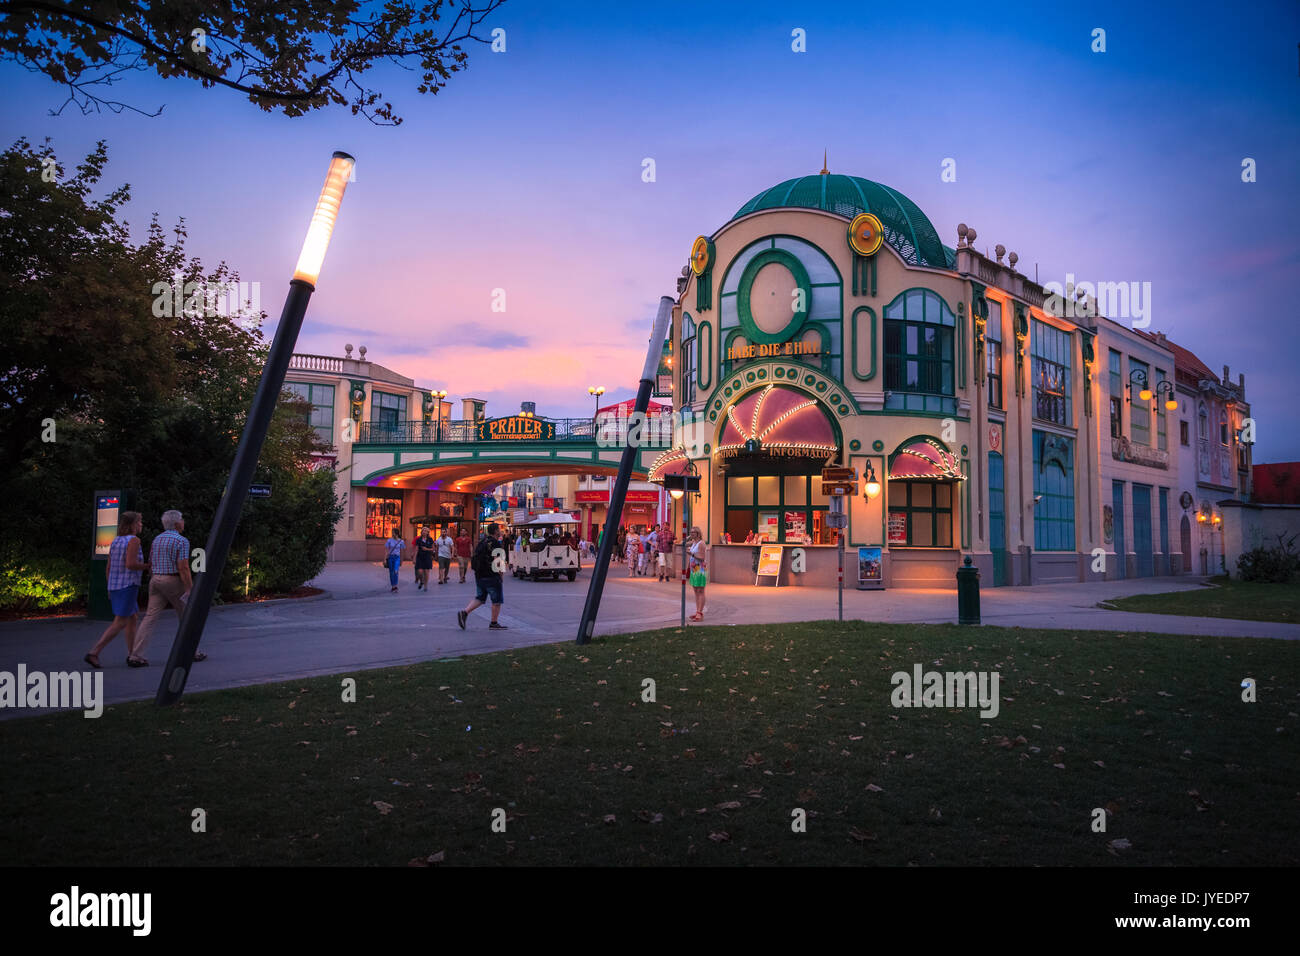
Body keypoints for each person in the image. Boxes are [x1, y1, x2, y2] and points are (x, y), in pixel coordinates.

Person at [132, 509, 204, 666]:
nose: (184, 522)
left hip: (156, 580)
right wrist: (190, 589)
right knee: (187, 616)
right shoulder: (181, 541)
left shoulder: (157, 539)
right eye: (182, 519)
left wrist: (154, 576)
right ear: (177, 523)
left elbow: (151, 561)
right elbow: (183, 567)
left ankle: (136, 655)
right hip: (173, 580)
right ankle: (192, 652)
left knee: (150, 617)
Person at [85, 510, 149, 668]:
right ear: (133, 525)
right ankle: (94, 652)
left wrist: (109, 586)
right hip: (128, 585)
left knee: (132, 618)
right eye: (139, 522)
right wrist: (148, 566)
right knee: (120, 622)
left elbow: (109, 566)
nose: (141, 525)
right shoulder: (134, 540)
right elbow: (131, 564)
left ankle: (132, 654)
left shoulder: (116, 541)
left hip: (115, 585)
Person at [459, 522, 507, 630]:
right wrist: (501, 574)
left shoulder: (482, 542)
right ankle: (494, 623)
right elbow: (497, 561)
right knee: (497, 600)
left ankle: (465, 612)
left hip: (479, 575)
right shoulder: (496, 543)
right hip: (491, 576)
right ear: (495, 531)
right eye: (499, 529)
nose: (500, 531)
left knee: (480, 597)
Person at [687, 526, 708, 622]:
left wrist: (691, 554)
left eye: (693, 532)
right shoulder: (694, 543)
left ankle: (700, 612)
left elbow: (702, 557)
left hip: (700, 570)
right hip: (694, 569)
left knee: (700, 590)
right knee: (696, 591)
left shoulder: (701, 543)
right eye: (691, 532)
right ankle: (697, 611)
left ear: (698, 533)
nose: (691, 534)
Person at [384, 527, 404, 592]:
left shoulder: (401, 541)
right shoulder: (389, 540)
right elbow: (386, 550)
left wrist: (401, 560)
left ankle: (395, 585)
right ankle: (393, 586)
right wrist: (384, 559)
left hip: (397, 558)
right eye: (392, 533)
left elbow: (402, 551)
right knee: (391, 572)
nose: (392, 534)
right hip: (390, 557)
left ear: (396, 533)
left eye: (393, 532)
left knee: (396, 571)